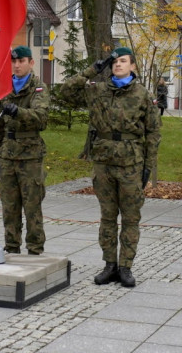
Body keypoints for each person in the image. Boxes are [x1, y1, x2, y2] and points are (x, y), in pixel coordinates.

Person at [59, 47, 160, 287]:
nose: (117, 65)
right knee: (107, 217)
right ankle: (109, 265)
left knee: (130, 217)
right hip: (104, 162)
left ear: (133, 66)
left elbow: (153, 132)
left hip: (130, 163)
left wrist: (148, 166)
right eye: (114, 62)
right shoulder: (97, 90)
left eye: (123, 61)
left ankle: (125, 267)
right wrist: (93, 69)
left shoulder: (142, 95)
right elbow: (66, 92)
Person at [0, 46, 49, 255]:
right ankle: (11, 246)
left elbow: (41, 118)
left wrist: (19, 112)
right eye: (14, 62)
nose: (17, 65)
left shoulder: (38, 88)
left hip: (30, 156)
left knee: (32, 206)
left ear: (31, 63)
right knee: (9, 206)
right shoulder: (5, 88)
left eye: (22, 61)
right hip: (8, 154)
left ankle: (35, 249)